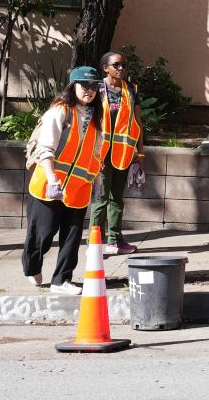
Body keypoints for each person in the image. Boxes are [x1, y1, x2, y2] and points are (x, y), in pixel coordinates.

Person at [23, 66, 106, 295]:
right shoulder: (61, 111)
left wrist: (97, 181)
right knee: (43, 233)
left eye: (93, 86)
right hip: (49, 184)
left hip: (78, 188)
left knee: (72, 237)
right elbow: (45, 148)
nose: (89, 91)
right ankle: (32, 266)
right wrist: (51, 179)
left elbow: (97, 152)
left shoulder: (96, 117)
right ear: (73, 86)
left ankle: (62, 280)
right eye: (84, 86)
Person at [90, 51, 144, 255]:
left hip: (123, 155)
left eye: (123, 65)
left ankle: (115, 240)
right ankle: (94, 244)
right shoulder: (97, 89)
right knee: (100, 199)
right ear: (105, 68)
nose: (121, 69)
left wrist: (140, 154)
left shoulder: (130, 89)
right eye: (117, 65)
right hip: (101, 155)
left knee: (117, 199)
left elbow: (138, 124)